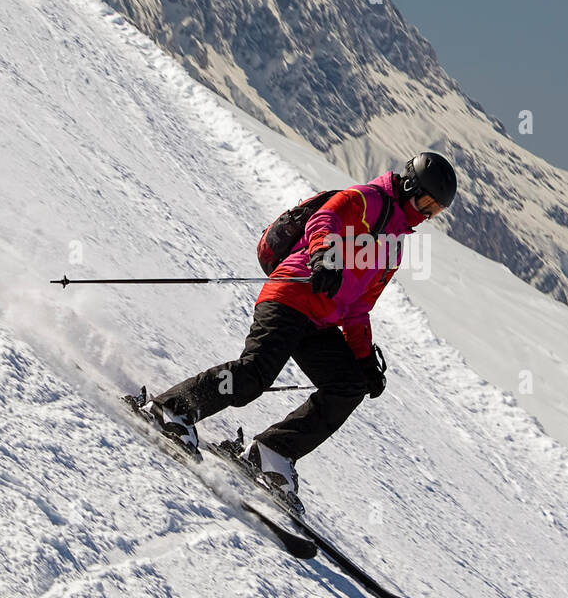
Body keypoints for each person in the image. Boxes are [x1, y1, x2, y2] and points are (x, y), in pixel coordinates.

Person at [145, 151, 457, 505]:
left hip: (318, 321)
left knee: (348, 386)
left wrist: (365, 360)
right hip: (291, 293)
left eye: (436, 210)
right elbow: (324, 220)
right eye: (427, 202)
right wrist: (324, 255)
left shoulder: (394, 247)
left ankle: (271, 452)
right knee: (253, 376)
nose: (427, 213)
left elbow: (358, 310)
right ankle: (172, 409)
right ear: (410, 185)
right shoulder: (368, 199)